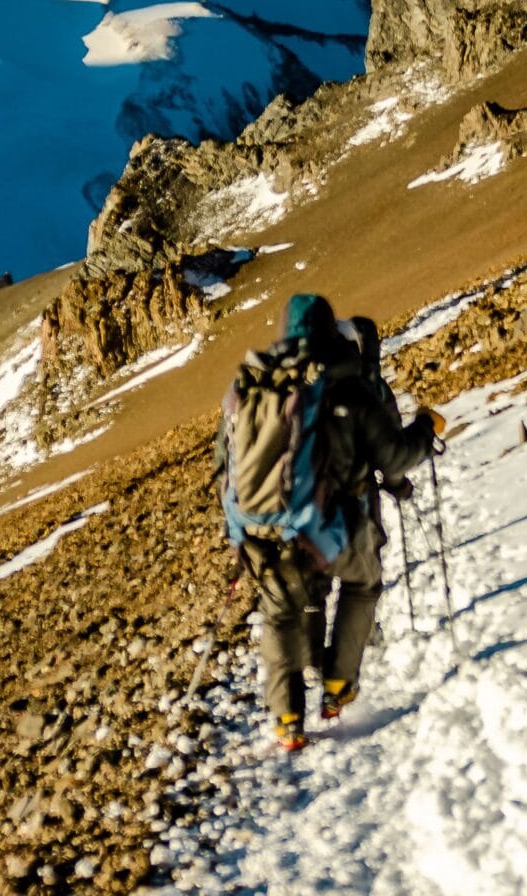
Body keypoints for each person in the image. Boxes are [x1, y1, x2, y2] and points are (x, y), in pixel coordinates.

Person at [222, 293, 439, 750]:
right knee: (361, 585)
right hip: (340, 525)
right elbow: (394, 456)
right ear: (329, 332)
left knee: (281, 614)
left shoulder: (255, 386)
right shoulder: (350, 387)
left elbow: (228, 467)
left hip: (264, 530)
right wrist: (424, 429)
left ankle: (287, 720)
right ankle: (338, 685)